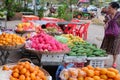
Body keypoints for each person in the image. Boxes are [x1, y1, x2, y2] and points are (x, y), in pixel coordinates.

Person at [101, 2, 120, 68]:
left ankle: (114, 62)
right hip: (108, 33)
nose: (108, 9)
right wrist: (105, 25)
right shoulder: (108, 15)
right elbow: (105, 21)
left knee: (115, 48)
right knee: (105, 47)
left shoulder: (119, 15)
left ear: (115, 8)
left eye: (110, 8)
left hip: (117, 35)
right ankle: (105, 61)